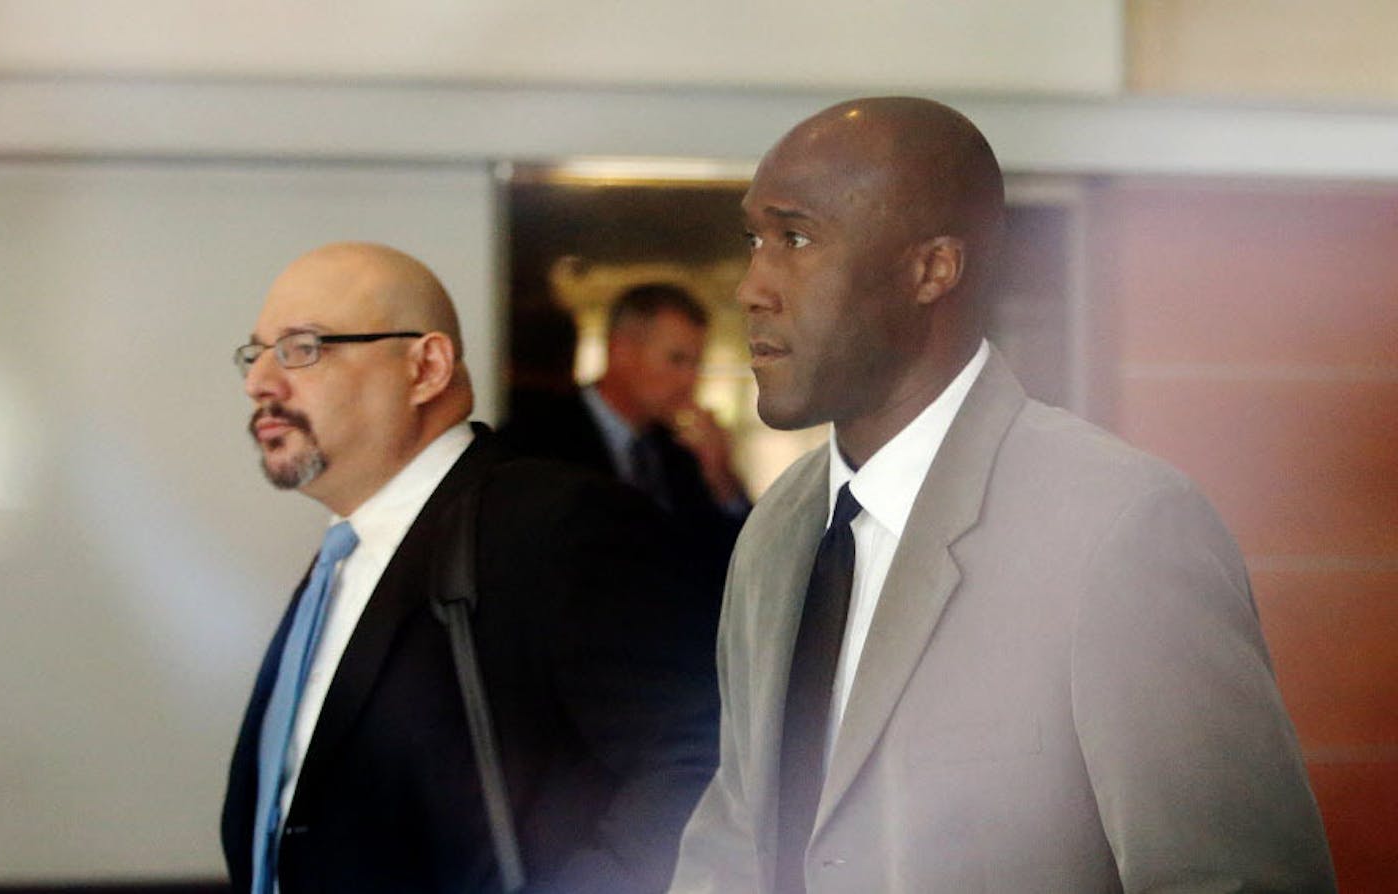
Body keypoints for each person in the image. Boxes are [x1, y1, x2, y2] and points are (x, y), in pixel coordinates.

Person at [669, 98, 1336, 892]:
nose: (752, 287)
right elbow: (738, 841)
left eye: (797, 238)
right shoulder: (778, 531)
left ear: (932, 270)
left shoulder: (1119, 527)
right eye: (755, 239)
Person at [221, 242, 719, 894]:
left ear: (425, 367)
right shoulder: (346, 554)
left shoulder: (558, 524)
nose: (261, 381)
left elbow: (693, 773)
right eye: (256, 354)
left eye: (302, 349)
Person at [501, 283, 748, 591]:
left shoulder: (683, 452)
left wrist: (722, 478)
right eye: (676, 360)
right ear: (621, 351)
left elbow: (735, 571)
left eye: (696, 364)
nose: (690, 379)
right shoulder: (537, 437)